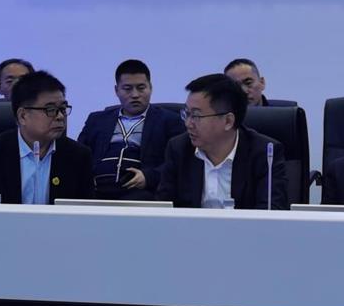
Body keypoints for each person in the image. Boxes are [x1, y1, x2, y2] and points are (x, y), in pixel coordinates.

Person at [0, 71, 93, 203]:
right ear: (23, 116)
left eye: (63, 109)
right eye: (50, 110)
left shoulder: (78, 156)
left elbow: (85, 211)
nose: (60, 116)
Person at [157, 74, 288, 209]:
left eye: (196, 115)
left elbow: (272, 210)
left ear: (228, 121)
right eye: (187, 114)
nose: (188, 124)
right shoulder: (178, 149)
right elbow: (164, 208)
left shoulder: (264, 154)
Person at [77, 60, 185, 199]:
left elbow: (180, 161)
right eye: (127, 89)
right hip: (96, 188)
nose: (135, 95)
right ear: (116, 90)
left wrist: (148, 176)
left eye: (141, 88)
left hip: (139, 191)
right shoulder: (97, 120)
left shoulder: (170, 120)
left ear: (150, 88)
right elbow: (78, 155)